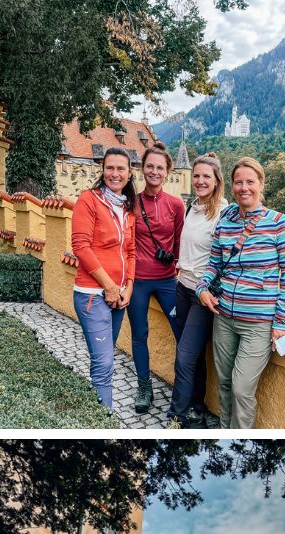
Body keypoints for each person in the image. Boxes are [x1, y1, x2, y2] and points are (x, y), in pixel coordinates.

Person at [195, 157, 285, 428]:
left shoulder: (278, 223)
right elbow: (214, 263)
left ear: (261, 184)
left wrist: (280, 323)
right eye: (238, 182)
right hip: (224, 317)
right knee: (226, 384)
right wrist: (202, 288)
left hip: (258, 323)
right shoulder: (226, 220)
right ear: (232, 185)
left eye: (250, 182)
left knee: (242, 388)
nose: (244, 188)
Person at [70, 146, 135, 411]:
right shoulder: (89, 200)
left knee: (104, 359)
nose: (115, 173)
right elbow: (80, 246)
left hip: (119, 295)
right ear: (103, 170)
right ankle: (104, 421)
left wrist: (128, 287)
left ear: (130, 174)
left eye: (121, 169)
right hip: (92, 295)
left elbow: (131, 251)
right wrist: (109, 286)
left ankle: (95, 408)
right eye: (110, 168)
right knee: (104, 363)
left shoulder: (127, 207)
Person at [167, 153, 227, 428]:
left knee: (185, 355)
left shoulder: (224, 214)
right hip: (183, 288)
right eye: (197, 175)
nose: (200, 181)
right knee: (190, 353)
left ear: (217, 182)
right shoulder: (192, 207)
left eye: (206, 177)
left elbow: (227, 259)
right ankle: (198, 405)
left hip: (204, 296)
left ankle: (176, 416)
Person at [129, 143, 184, 413]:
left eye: (159, 167)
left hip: (167, 280)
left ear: (167, 172)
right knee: (139, 334)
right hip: (137, 280)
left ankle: (183, 387)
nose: (154, 171)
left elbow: (181, 243)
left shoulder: (176, 205)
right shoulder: (132, 203)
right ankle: (144, 387)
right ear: (142, 168)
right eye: (149, 166)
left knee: (182, 333)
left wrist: (175, 264)